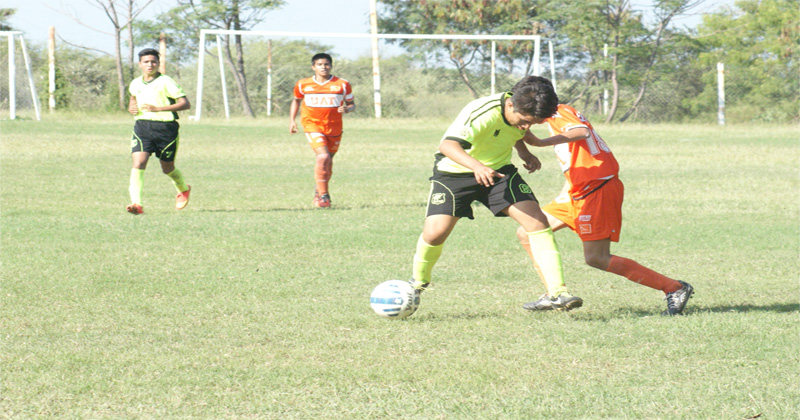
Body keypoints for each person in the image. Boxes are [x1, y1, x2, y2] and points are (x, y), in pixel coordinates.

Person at [517, 77, 693, 315]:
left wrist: (540, 143)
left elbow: (581, 131)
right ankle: (554, 293)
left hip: (597, 190)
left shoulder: (559, 112)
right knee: (527, 232)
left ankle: (674, 288)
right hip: (577, 192)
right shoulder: (552, 116)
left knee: (597, 258)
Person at [408, 76, 582, 312]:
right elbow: (447, 146)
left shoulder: (519, 111)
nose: (526, 128)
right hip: (454, 174)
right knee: (435, 234)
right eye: (524, 121)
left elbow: (511, 131)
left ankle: (558, 292)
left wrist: (524, 152)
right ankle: (417, 283)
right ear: (510, 105)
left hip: (499, 172)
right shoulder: (482, 112)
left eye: (532, 124)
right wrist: (477, 167)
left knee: (537, 223)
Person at [126, 48, 191, 215]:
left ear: (158, 64)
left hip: (166, 129)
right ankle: (137, 204)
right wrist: (131, 107)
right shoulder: (135, 83)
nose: (150, 65)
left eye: (153, 62)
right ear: (140, 64)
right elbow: (133, 97)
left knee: (167, 168)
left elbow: (185, 104)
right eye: (146, 62)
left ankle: (183, 189)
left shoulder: (166, 82)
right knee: (138, 163)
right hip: (142, 127)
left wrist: (158, 108)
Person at [289, 52, 355, 208]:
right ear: (313, 67)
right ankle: (324, 196)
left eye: (326, 64)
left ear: (331, 66)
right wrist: (292, 120)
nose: (323, 67)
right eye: (319, 64)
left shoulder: (342, 84)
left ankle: (318, 191)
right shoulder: (303, 84)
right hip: (312, 125)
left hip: (334, 128)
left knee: (328, 162)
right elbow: (296, 101)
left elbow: (352, 104)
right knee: (323, 157)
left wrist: (348, 109)